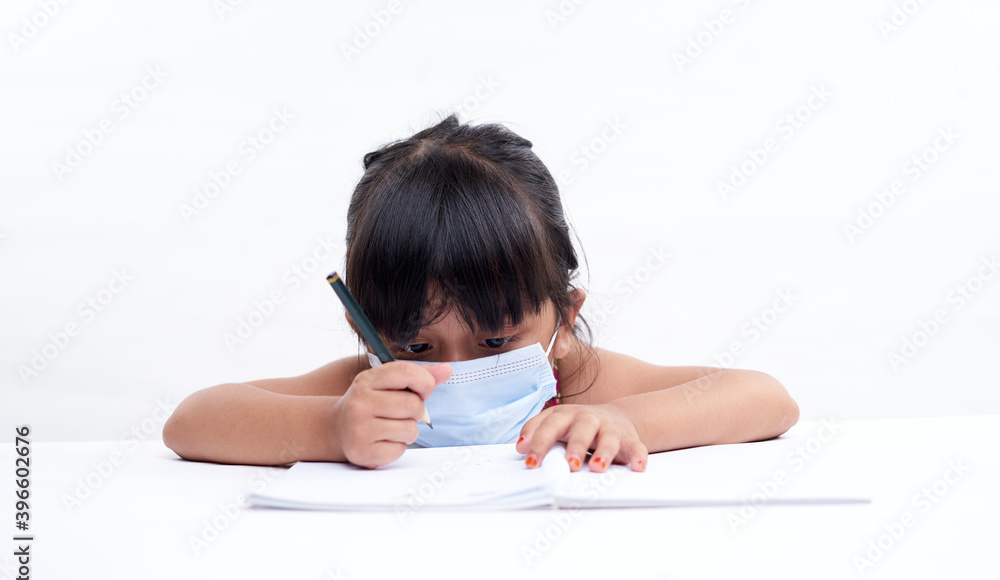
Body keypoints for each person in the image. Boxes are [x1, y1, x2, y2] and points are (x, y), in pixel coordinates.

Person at [162, 114, 799, 473]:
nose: (456, 372)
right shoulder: (358, 391)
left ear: (564, 318)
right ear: (367, 331)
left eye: (496, 340)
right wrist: (329, 428)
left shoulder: (583, 383)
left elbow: (767, 399)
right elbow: (190, 422)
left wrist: (629, 421)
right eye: (417, 346)